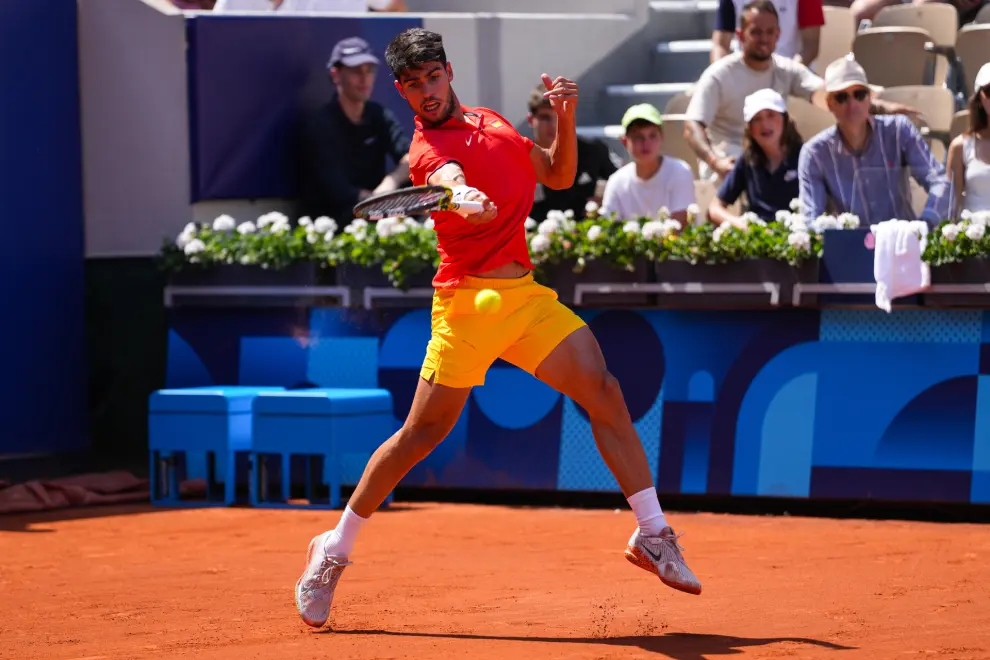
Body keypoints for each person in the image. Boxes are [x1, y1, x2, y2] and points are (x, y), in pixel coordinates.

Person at [294, 27, 703, 630]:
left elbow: (558, 177)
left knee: (605, 391)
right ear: (403, 93)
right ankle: (333, 548)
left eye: (432, 77)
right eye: (411, 85)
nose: (425, 92)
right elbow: (448, 176)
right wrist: (460, 198)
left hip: (524, 299)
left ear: (448, 70)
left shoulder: (495, 123)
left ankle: (653, 534)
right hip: (464, 302)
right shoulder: (426, 148)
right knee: (420, 435)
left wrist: (565, 116)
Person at [798, 55, 951, 225]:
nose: (852, 104)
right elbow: (810, 217)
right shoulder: (815, 153)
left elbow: (938, 180)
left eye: (859, 94)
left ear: (869, 98)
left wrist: (926, 222)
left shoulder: (899, 130)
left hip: (901, 242)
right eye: (842, 97)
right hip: (849, 248)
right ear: (829, 104)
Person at [297, 37, 411, 221]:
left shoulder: (380, 115)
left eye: (369, 70)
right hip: (333, 225)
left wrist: (391, 182)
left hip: (379, 216)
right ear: (335, 75)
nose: (364, 78)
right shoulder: (318, 127)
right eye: (356, 71)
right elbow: (337, 191)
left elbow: (411, 158)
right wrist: (380, 205)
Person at [709, 88, 804, 226]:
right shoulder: (747, 160)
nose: (764, 124)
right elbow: (715, 207)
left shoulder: (806, 156)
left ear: (784, 119)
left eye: (771, 115)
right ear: (750, 128)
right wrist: (742, 227)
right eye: (757, 119)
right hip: (759, 240)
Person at [527, 85, 621, 220]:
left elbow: (620, 185)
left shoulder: (593, 150)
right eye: (545, 118)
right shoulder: (520, 159)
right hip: (532, 237)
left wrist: (604, 201)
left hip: (586, 236)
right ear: (531, 120)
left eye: (559, 116)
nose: (554, 125)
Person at [600, 103, 696, 223]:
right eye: (637, 137)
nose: (646, 144)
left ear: (662, 137)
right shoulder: (616, 181)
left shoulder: (680, 171)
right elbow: (609, 228)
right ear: (625, 142)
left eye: (652, 136)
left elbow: (680, 227)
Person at [947, 63, 990, 214]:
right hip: (974, 234)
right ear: (980, 99)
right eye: (989, 91)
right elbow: (951, 208)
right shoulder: (960, 147)